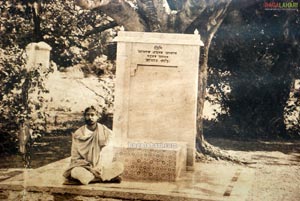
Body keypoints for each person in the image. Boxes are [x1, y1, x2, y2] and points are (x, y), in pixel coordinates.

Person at [63, 106, 123, 185]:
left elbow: (108, 153)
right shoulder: (78, 134)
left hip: (100, 167)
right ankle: (102, 178)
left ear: (97, 116)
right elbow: (75, 157)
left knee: (119, 166)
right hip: (84, 167)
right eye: (87, 115)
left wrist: (100, 167)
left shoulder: (105, 132)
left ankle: (93, 179)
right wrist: (90, 169)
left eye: (92, 115)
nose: (90, 117)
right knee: (76, 172)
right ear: (84, 116)